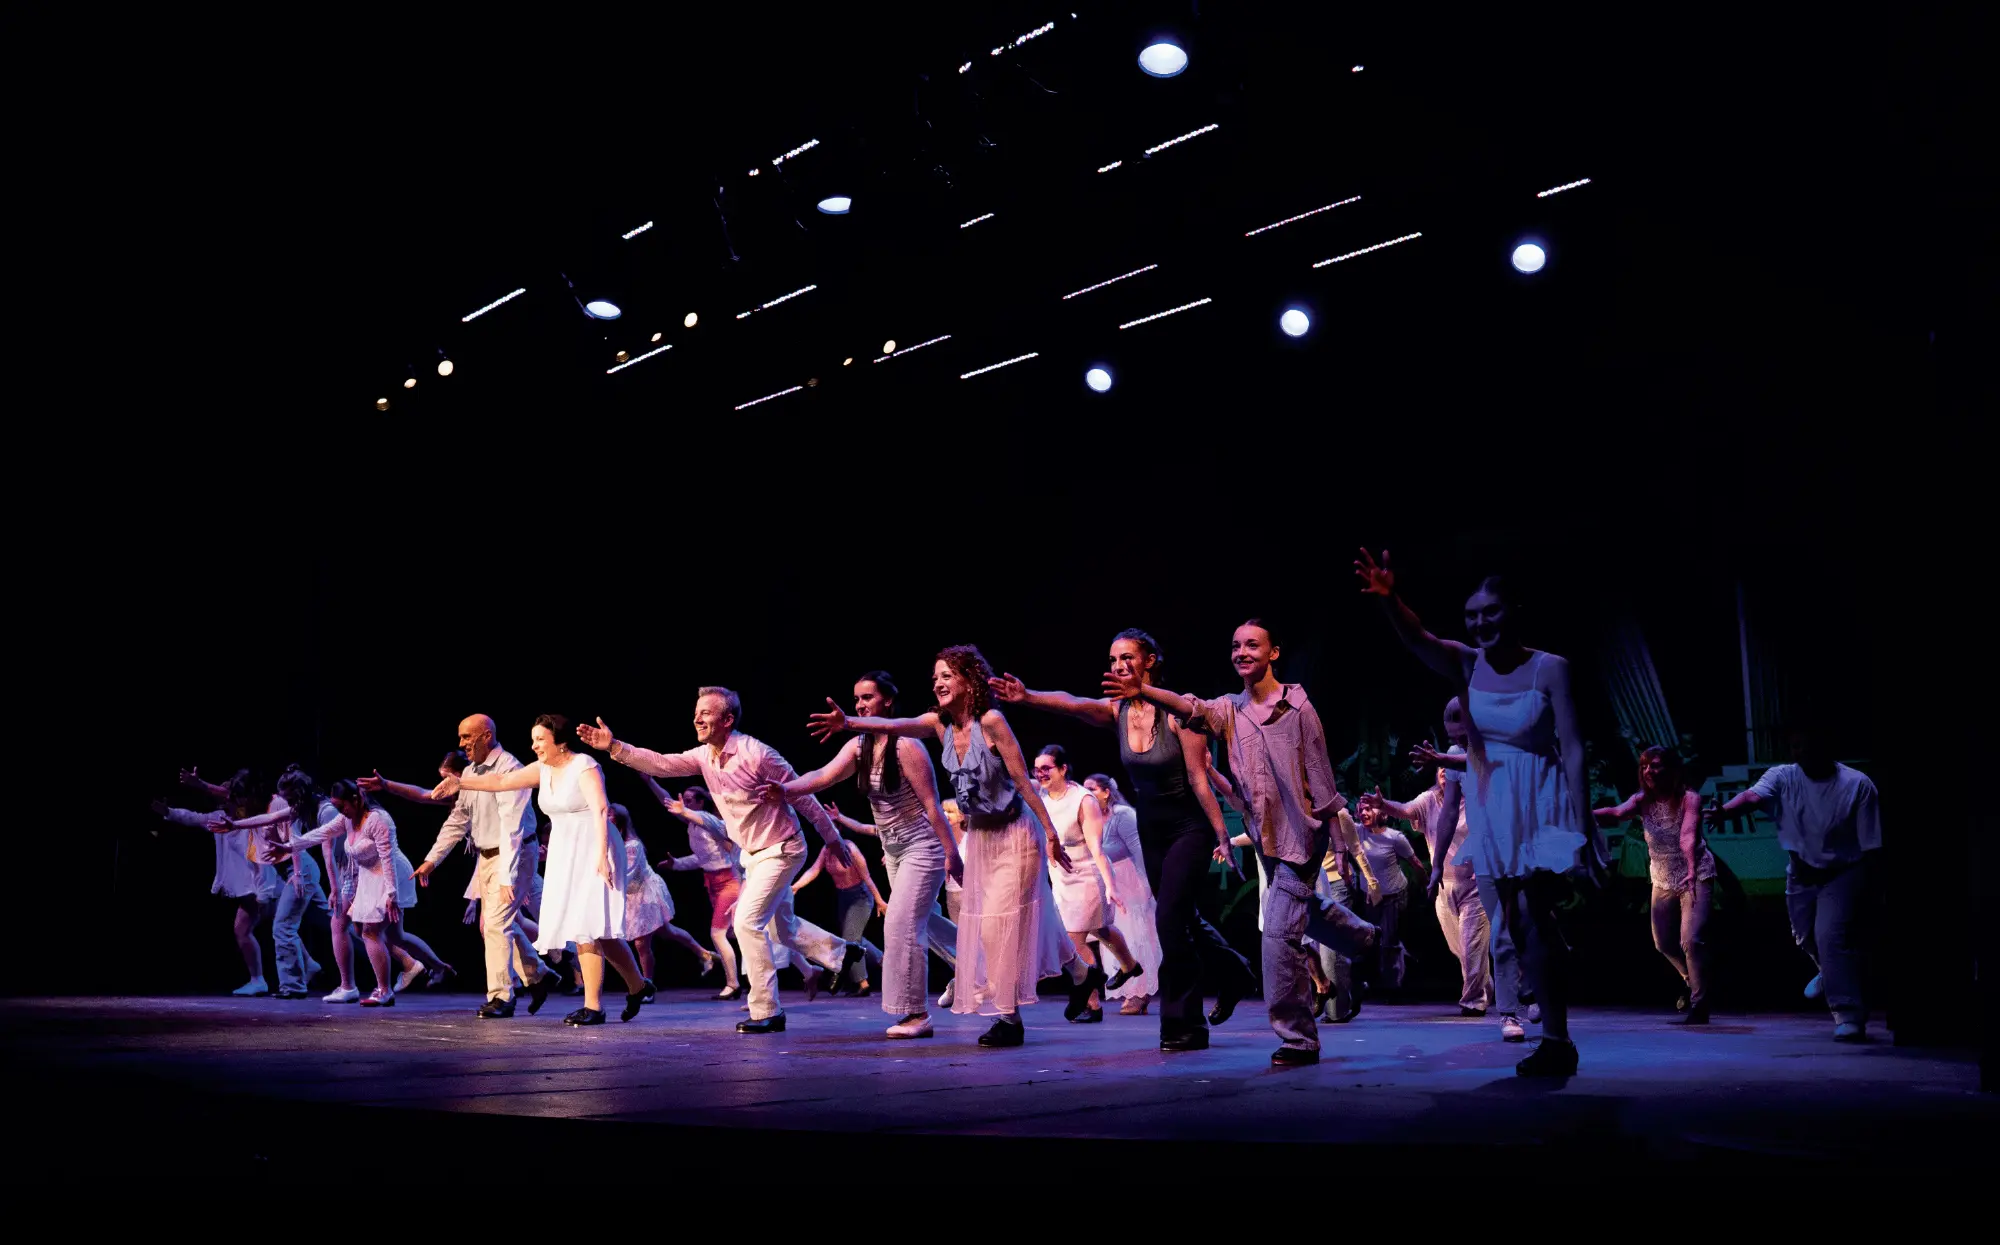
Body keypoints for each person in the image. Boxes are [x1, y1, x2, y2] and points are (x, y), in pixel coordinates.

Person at [1356, 551, 1608, 1076]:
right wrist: (1389, 601)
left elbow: (1575, 748)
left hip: (1538, 796)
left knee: (1534, 917)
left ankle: (1557, 1037)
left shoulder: (1550, 667)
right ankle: (1544, 1016)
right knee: (1512, 923)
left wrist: (1583, 825)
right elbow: (1418, 639)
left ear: (1514, 610)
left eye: (1490, 612)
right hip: (1493, 802)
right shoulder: (1467, 664)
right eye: (1472, 616)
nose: (1480, 623)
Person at [1103, 620, 1377, 1066]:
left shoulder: (1298, 706)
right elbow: (1185, 706)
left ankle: (1297, 1039)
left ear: (1273, 653)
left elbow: (1323, 778)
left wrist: (1341, 843)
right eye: (1235, 646)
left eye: (1253, 645)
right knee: (1302, 910)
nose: (1242, 652)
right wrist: (1141, 690)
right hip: (1265, 834)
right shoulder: (1228, 709)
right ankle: (1364, 939)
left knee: (1278, 934)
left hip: (1303, 833)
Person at [990, 628, 1257, 1052]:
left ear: (1149, 661)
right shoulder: (1117, 711)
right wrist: (1028, 697)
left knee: (1169, 919)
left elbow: (1198, 777)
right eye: (1114, 659)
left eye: (1128, 657)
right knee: (1179, 917)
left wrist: (1222, 833)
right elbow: (1075, 705)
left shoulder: (1178, 710)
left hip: (1189, 825)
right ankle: (1235, 970)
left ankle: (1184, 1023)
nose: (1118, 666)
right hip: (1152, 828)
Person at [808, 646, 1077, 1047]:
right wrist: (848, 723)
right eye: (935, 677)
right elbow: (897, 724)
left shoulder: (993, 721)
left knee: (1003, 922)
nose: (938, 683)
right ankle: (1082, 975)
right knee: (992, 926)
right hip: (982, 837)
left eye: (947, 675)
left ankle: (1009, 1019)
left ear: (970, 680)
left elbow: (1023, 781)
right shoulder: (939, 725)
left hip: (1017, 831)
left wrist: (1051, 834)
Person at [578, 689, 864, 1035]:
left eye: (706, 713)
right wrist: (614, 747)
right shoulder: (704, 756)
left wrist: (833, 839)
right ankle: (843, 953)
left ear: (727, 720)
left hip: (783, 848)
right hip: (752, 855)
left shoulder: (758, 754)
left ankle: (767, 1011)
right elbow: (663, 764)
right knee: (782, 927)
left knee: (745, 923)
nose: (697, 719)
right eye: (696, 712)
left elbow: (804, 795)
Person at [761, 671, 965, 1037]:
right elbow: (823, 775)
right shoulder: (859, 747)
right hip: (894, 848)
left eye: (867, 698)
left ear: (887, 701)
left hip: (924, 844)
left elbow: (934, 807)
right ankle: (973, 968)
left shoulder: (906, 746)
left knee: (900, 923)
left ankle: (916, 1014)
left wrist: (953, 855)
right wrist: (786, 789)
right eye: (856, 699)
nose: (859, 705)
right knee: (925, 922)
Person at [436, 715, 651, 1025]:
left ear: (559, 742)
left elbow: (601, 809)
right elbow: (500, 781)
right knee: (599, 931)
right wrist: (461, 781)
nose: (533, 745)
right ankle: (639, 986)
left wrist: (602, 855)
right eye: (533, 739)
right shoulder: (543, 769)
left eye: (539, 739)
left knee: (587, 927)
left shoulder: (585, 765)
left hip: (594, 844)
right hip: (566, 850)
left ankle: (594, 1007)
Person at [1709, 722, 1881, 1041]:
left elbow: (1871, 846)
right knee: (1805, 937)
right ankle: (1829, 972)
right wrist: (1726, 812)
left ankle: (1848, 1014)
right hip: (1801, 872)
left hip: (1842, 873)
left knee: (1830, 937)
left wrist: (1871, 891)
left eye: (1810, 745)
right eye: (1797, 747)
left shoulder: (1858, 784)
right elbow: (1751, 796)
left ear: (1827, 747)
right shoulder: (1783, 776)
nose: (1803, 753)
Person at [405, 716, 557, 1020]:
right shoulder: (471, 772)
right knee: (499, 926)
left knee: (496, 924)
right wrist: (431, 860)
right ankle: (540, 975)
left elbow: (512, 828)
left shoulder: (510, 769)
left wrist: (507, 875)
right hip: (486, 855)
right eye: (460, 738)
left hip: (514, 853)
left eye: (466, 737)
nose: (461, 744)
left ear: (486, 736)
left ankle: (501, 996)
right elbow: (458, 820)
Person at [1362, 714, 1495, 1018]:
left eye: (1453, 769)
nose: (1447, 775)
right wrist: (1384, 806)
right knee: (1459, 947)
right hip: (1445, 886)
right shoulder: (1430, 801)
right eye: (1443, 770)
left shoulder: (1481, 798)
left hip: (1476, 884)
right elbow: (1406, 810)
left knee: (1473, 944)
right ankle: (1484, 985)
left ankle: (1473, 1001)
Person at [276, 779, 439, 1007]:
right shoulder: (347, 819)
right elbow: (322, 833)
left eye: (342, 806)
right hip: (368, 876)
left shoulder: (378, 820)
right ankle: (437, 968)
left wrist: (391, 894)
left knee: (370, 932)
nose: (340, 812)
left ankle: (384, 990)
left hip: (391, 875)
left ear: (356, 799)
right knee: (391, 935)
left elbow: (387, 858)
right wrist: (290, 847)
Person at [1595, 746, 1715, 1023]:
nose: (1650, 770)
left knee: (1692, 939)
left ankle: (1700, 1004)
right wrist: (1580, 816)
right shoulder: (1641, 800)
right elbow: (1614, 813)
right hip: (1662, 877)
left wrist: (1691, 866)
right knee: (1662, 943)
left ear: (1672, 770)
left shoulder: (1689, 799)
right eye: (1645, 766)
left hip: (1694, 874)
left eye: (1657, 765)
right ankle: (1691, 980)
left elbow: (1687, 835)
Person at [154, 768, 279, 996]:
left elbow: (264, 863)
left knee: (246, 930)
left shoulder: (253, 822)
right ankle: (303, 966)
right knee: (280, 927)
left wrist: (264, 893)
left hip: (260, 888)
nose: (223, 804)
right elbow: (192, 817)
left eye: (227, 799)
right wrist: (168, 811)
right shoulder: (219, 819)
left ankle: (258, 979)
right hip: (247, 889)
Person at [1032, 746, 1129, 1023]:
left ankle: (1092, 1004)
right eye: (1037, 769)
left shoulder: (1083, 800)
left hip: (1087, 876)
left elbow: (1097, 850)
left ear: (1063, 769)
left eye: (1046, 768)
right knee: (1100, 930)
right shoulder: (1040, 796)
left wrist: (1111, 886)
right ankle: (1130, 965)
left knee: (1075, 941)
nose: (1040, 774)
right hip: (1061, 879)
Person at [649, 781, 746, 999]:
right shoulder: (693, 827)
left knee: (718, 934)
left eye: (690, 801)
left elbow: (723, 850)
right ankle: (767, 961)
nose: (684, 803)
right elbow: (702, 859)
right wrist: (677, 864)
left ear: (701, 803)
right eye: (684, 800)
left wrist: (681, 809)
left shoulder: (710, 822)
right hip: (713, 882)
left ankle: (733, 984)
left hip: (729, 881)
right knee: (732, 933)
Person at [612, 802, 718, 992]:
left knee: (641, 942)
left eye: (610, 815)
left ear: (619, 818)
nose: (606, 818)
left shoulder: (632, 845)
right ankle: (704, 953)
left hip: (645, 893)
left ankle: (646, 986)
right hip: (630, 895)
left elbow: (629, 874)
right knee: (667, 931)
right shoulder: (611, 842)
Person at [1084, 775, 1163, 1015]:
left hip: (1131, 879)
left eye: (1092, 789)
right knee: (1114, 936)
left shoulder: (1123, 815)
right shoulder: (1091, 817)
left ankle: (1139, 993)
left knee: (1137, 935)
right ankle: (1127, 990)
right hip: (1109, 882)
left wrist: (1150, 884)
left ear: (1106, 792)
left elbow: (1140, 850)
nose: (1086, 794)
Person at [1352, 800, 1420, 993]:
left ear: (1382, 813)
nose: (1364, 812)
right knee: (1372, 939)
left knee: (1389, 940)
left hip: (1394, 894)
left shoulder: (1395, 838)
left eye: (1368, 809)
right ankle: (1385, 975)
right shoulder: (1357, 832)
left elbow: (1415, 863)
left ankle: (1393, 987)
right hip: (1370, 896)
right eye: (1361, 809)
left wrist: (1428, 885)